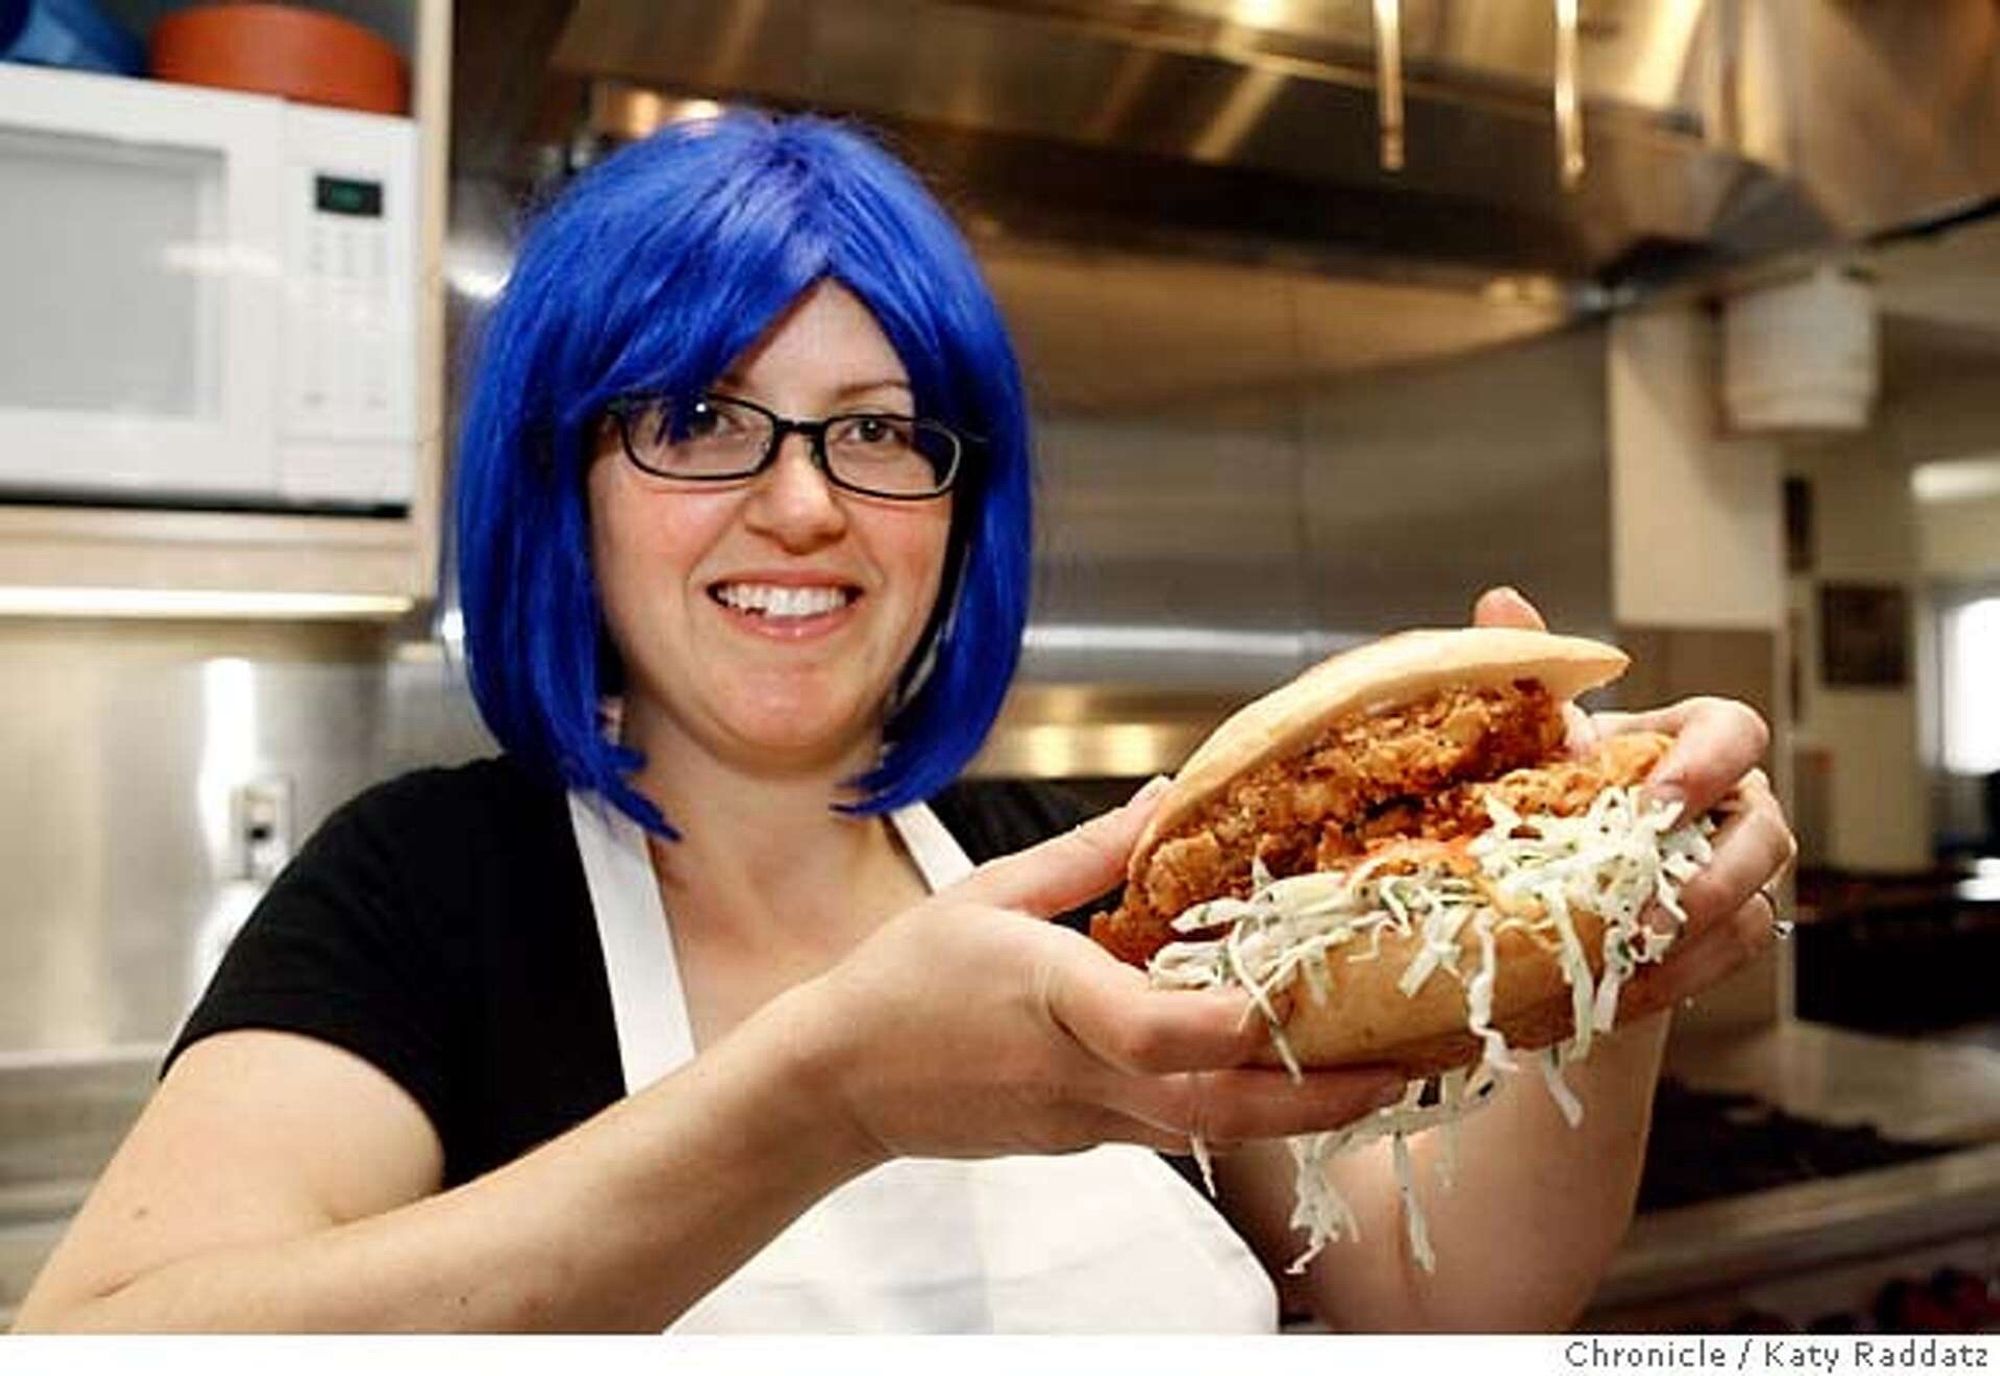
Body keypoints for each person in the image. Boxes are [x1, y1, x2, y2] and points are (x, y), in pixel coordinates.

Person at [14, 112, 1795, 1334]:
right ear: (563, 485)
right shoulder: (430, 887)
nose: (803, 505)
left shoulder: (1083, 872)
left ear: (957, 512)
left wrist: (1605, 946)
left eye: (878, 430)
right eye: (701, 418)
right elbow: (111, 1345)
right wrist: (824, 1099)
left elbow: (1440, 1311)